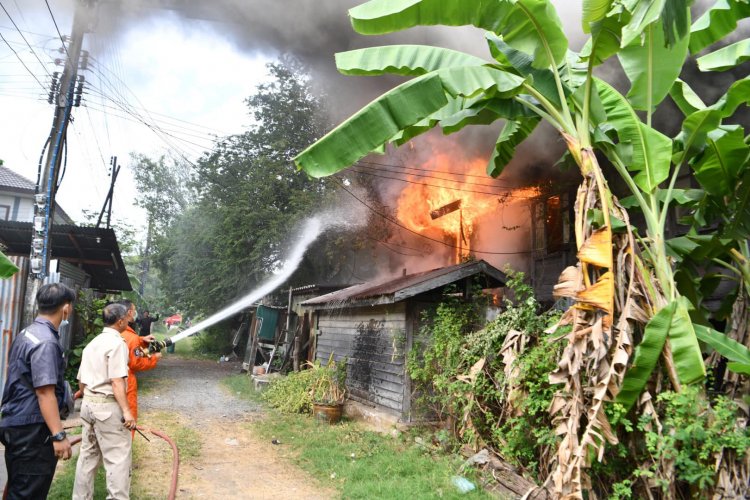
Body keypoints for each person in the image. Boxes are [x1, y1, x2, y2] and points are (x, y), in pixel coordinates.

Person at [0, 283, 75, 499]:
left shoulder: (27, 333)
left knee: (18, 488)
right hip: (32, 431)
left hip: (17, 423)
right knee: (28, 493)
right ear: (66, 308)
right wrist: (59, 435)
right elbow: (44, 393)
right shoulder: (46, 342)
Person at [73, 303, 135, 500]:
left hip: (88, 404)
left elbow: (81, 383)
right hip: (106, 407)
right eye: (127, 316)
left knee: (87, 457)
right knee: (118, 459)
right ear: (120, 321)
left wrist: (86, 396)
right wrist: (126, 411)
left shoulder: (93, 343)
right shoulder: (117, 344)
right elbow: (117, 381)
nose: (128, 319)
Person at [116, 299, 161, 429]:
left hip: (109, 383)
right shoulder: (131, 336)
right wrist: (154, 358)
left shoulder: (115, 331)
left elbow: (126, 344)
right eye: (134, 311)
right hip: (126, 381)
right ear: (129, 312)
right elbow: (136, 364)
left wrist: (141, 339)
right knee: (128, 420)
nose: (135, 313)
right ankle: (125, 447)